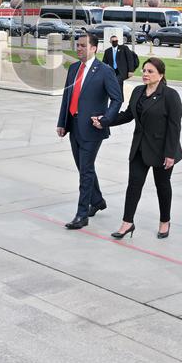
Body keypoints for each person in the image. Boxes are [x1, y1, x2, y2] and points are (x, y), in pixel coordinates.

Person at [104, 57, 182, 240]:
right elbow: (127, 115)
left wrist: (170, 154)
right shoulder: (138, 91)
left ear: (161, 75)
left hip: (163, 150)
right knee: (134, 185)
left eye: (150, 72)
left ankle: (165, 221)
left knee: (162, 186)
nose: (145, 74)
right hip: (140, 148)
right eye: (144, 71)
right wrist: (105, 121)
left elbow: (174, 127)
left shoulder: (170, 95)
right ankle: (127, 223)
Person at [55, 33, 123, 230]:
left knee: (85, 171)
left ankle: (82, 214)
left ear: (94, 48)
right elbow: (67, 96)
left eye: (83, 46)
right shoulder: (74, 68)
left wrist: (105, 119)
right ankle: (98, 200)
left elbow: (117, 99)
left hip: (92, 129)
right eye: (78, 45)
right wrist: (62, 122)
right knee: (84, 168)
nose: (79, 49)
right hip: (73, 126)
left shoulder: (104, 71)